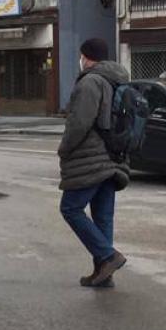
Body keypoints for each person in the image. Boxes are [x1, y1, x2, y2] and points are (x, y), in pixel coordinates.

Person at [57, 38, 130, 289]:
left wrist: (64, 149)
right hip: (113, 156)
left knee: (70, 208)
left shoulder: (90, 82)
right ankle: (103, 273)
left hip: (91, 157)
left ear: (86, 57)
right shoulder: (117, 79)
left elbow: (80, 123)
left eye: (81, 56)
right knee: (103, 216)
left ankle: (109, 257)